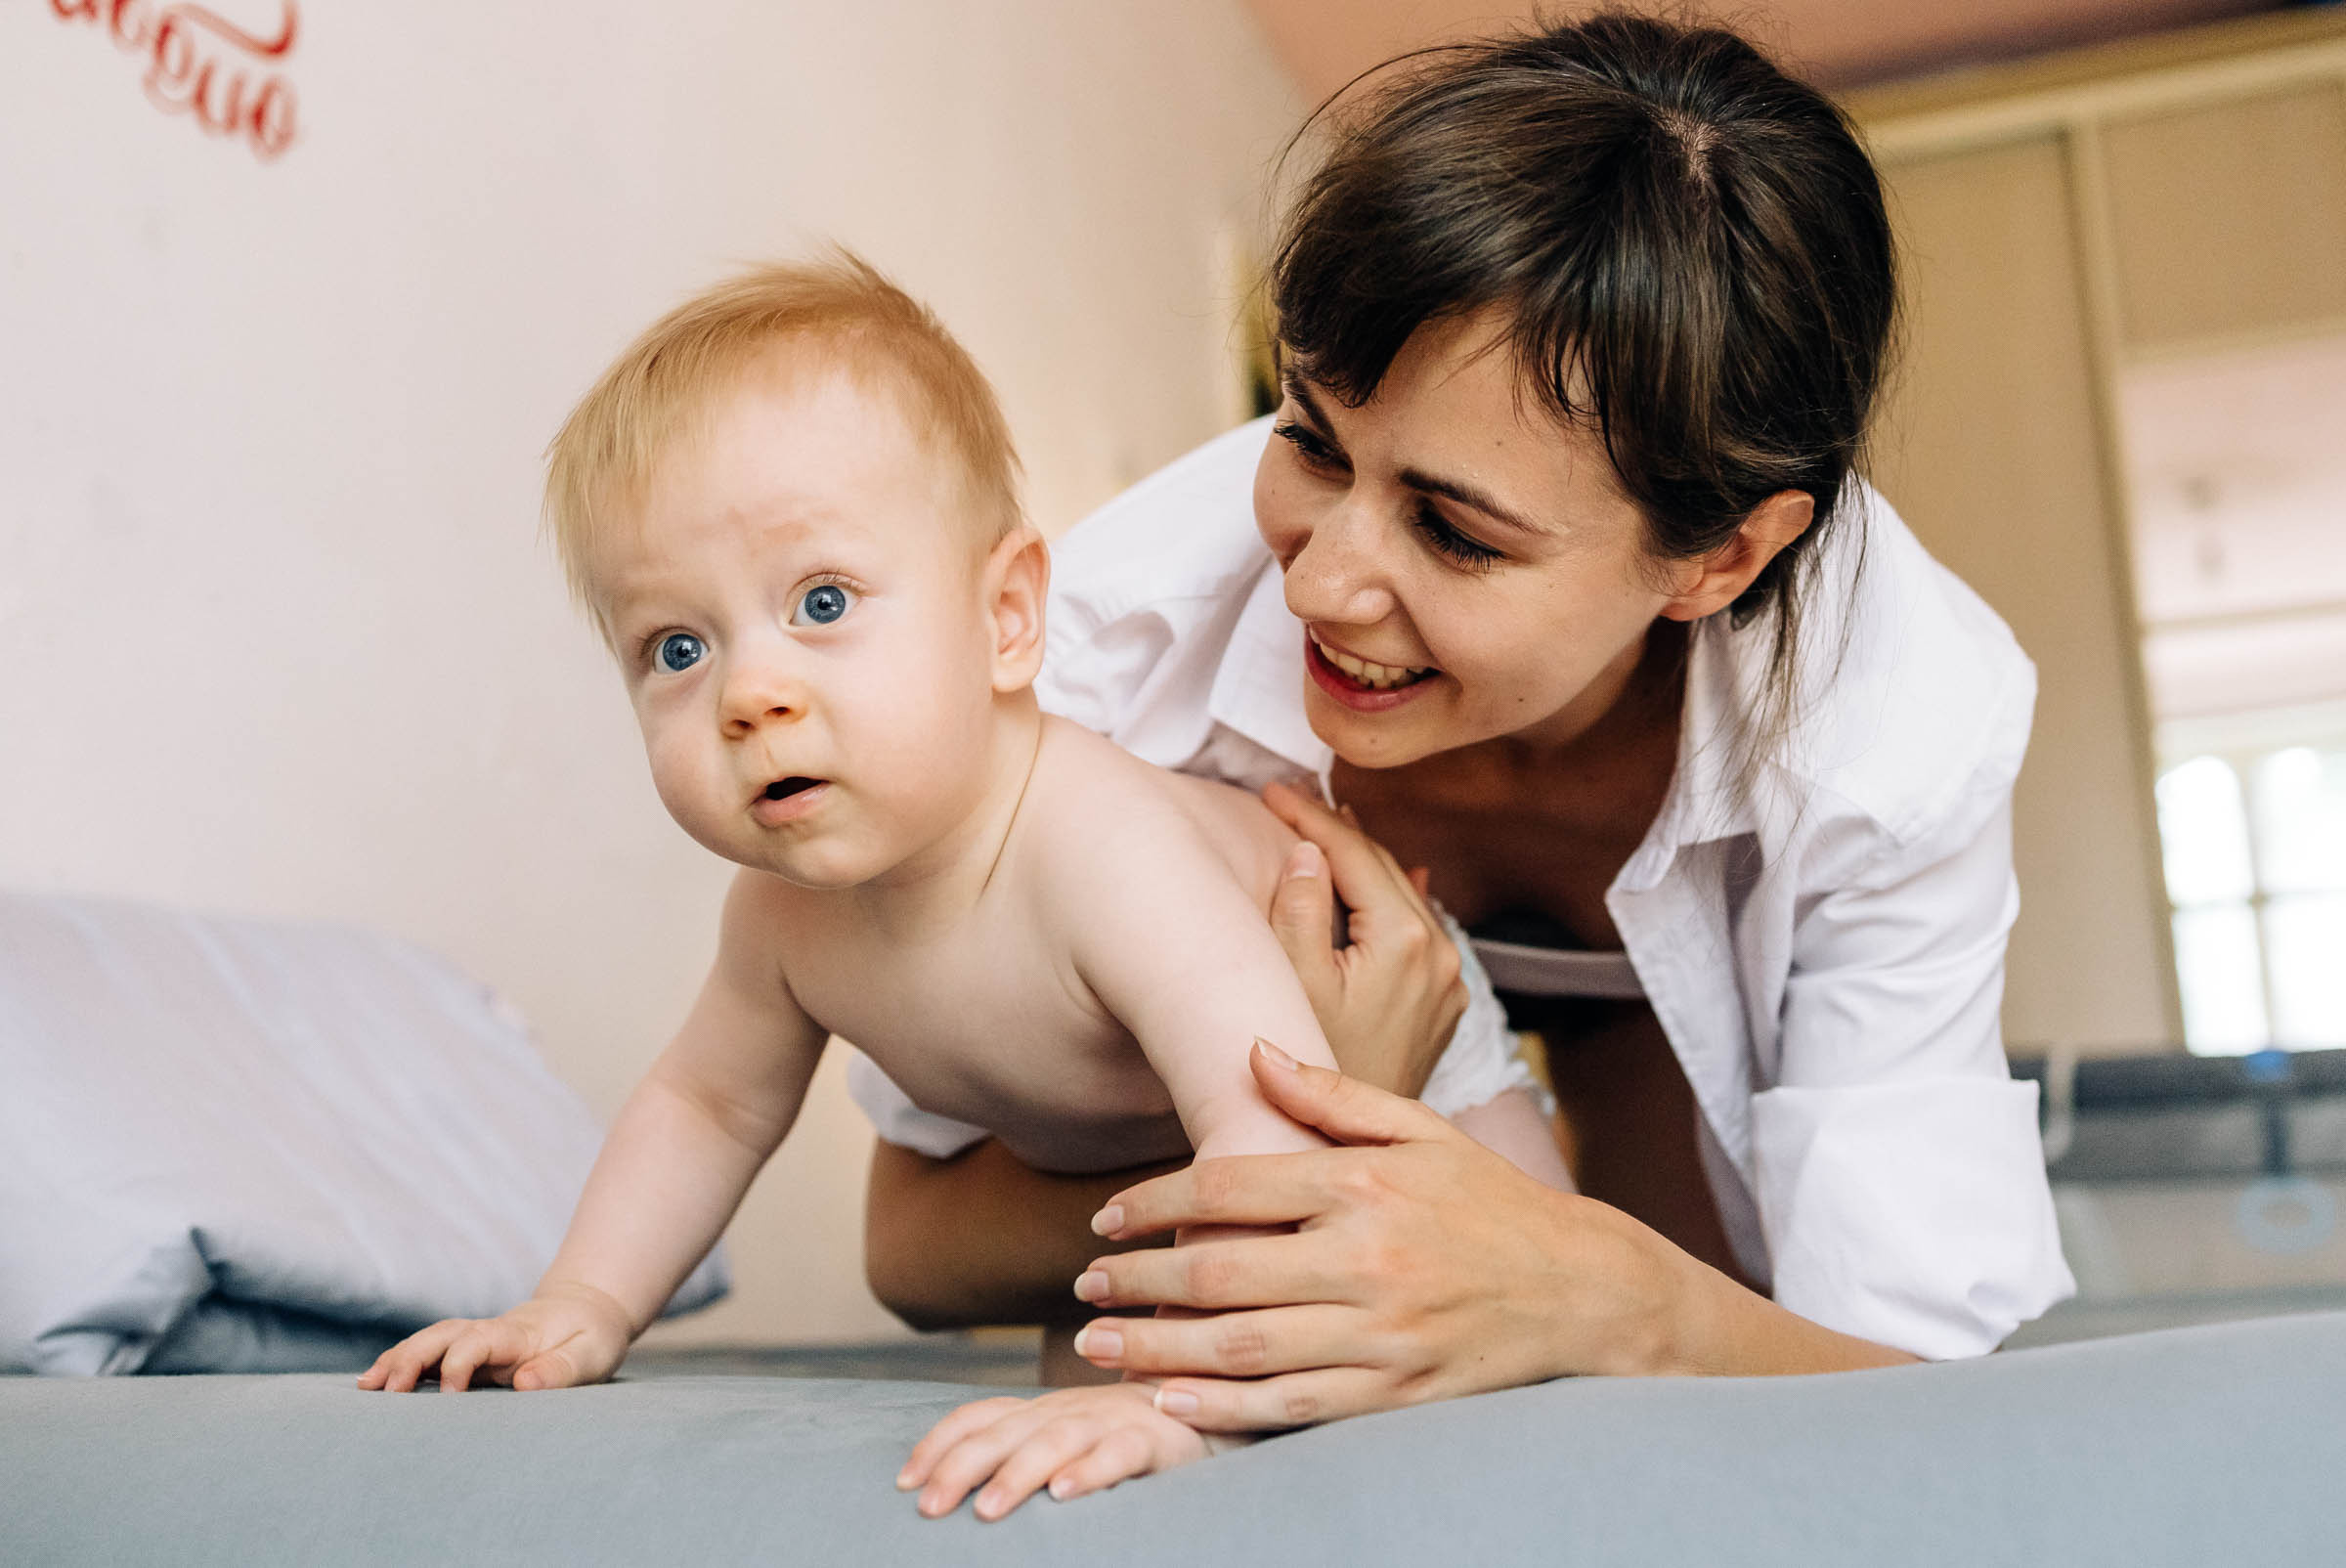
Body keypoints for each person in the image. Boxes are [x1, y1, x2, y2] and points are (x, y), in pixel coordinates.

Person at [875, 9, 2076, 1515]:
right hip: (1309, 1116)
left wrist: (1598, 1289)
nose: (1319, 586)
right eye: (1310, 439)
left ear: (1720, 555)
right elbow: (911, 1247)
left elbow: (1897, 1382)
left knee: (1668, 1402)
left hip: (1666, 1080)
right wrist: (1315, 1122)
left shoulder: (1895, 728)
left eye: (1454, 530)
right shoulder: (1106, 659)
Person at [353, 257, 1568, 1465]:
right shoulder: (781, 921)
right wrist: (580, 1304)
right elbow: (705, 1105)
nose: (748, 694)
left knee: (1510, 1352)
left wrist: (1174, 1398)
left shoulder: (1098, 846)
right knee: (1070, 1411)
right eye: (676, 646)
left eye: (821, 603)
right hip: (1189, 1165)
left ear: (1006, 619)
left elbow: (1266, 1116)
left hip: (1383, 1047)